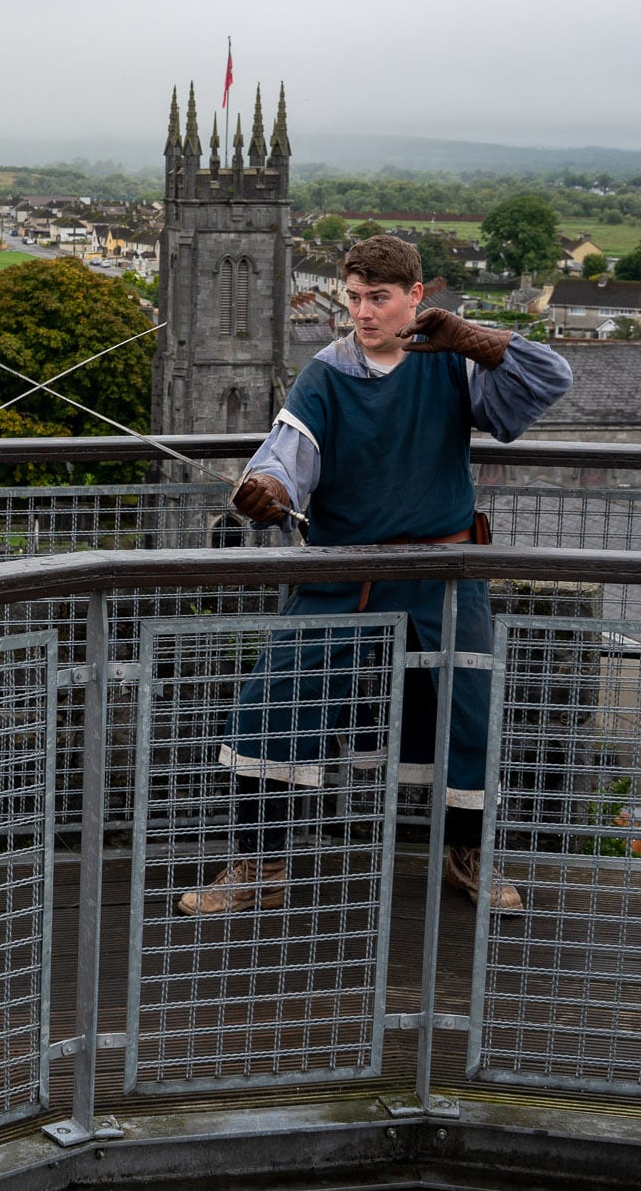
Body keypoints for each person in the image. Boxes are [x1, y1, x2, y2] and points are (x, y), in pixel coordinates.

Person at [179, 235, 572, 916]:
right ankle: (260, 865)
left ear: (415, 297)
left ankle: (468, 854)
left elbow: (550, 378)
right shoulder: (325, 373)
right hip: (346, 571)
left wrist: (469, 338)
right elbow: (285, 457)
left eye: (379, 298)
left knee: (467, 712)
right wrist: (267, 491)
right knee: (272, 703)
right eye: (355, 298)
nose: (362, 313)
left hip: (444, 573)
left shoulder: (452, 362)